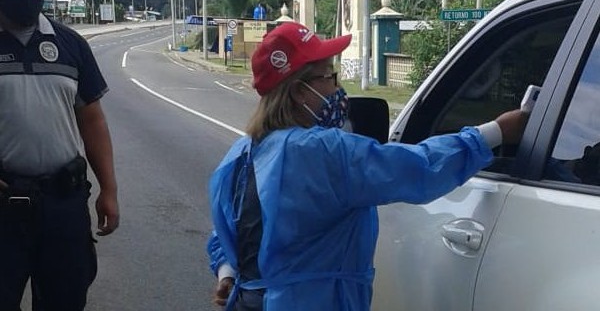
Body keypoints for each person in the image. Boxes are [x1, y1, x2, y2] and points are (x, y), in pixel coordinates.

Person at [206, 22, 527, 311]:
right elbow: (418, 168)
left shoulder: (242, 153)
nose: (337, 89)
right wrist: (495, 132)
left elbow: (228, 233)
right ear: (301, 92)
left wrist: (228, 272)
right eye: (329, 76)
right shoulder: (322, 151)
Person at [0, 0, 119, 310]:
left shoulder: (70, 44)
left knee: (65, 301)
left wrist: (109, 190)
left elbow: (93, 120)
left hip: (62, 205)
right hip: (3, 209)